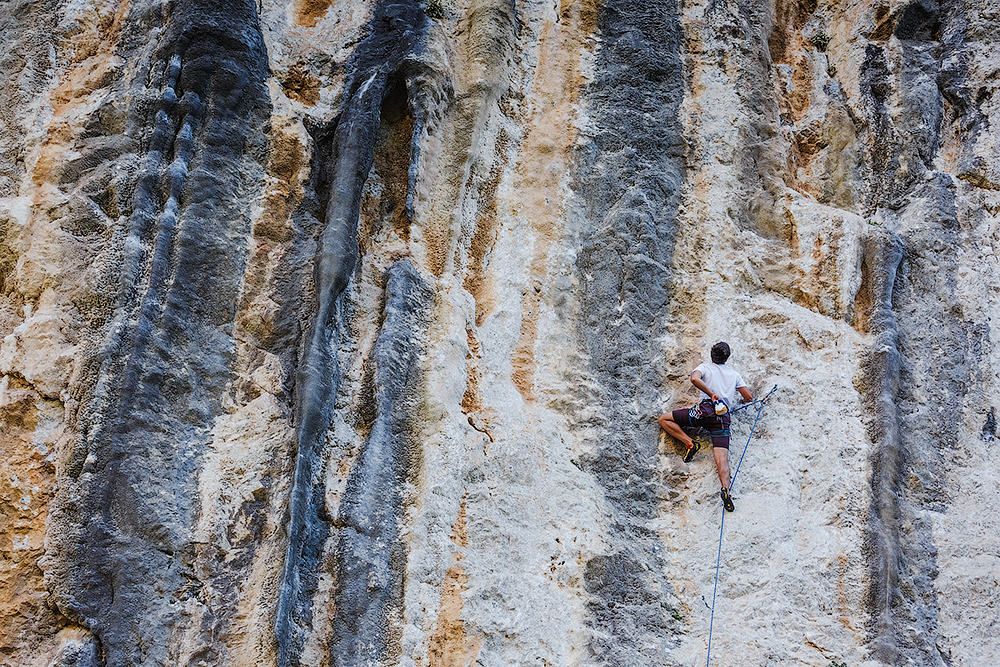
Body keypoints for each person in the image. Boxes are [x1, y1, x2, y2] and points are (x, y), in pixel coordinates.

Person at [657, 342, 754, 512]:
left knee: (664, 419)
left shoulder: (705, 368)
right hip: (723, 418)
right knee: (722, 460)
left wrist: (711, 394)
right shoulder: (734, 375)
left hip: (704, 412)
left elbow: (694, 378)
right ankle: (726, 491)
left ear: (711, 355)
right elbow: (748, 397)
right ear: (727, 357)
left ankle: (690, 444)